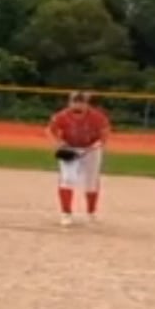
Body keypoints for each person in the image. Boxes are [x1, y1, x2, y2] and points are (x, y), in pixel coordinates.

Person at [47, 91, 111, 226]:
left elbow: (104, 134)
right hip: (69, 149)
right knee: (67, 179)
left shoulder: (97, 117)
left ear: (87, 104)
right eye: (75, 101)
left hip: (91, 150)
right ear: (69, 103)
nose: (78, 105)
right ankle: (66, 214)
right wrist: (59, 143)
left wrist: (97, 145)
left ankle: (91, 213)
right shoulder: (61, 116)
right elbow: (50, 130)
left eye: (81, 102)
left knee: (91, 182)